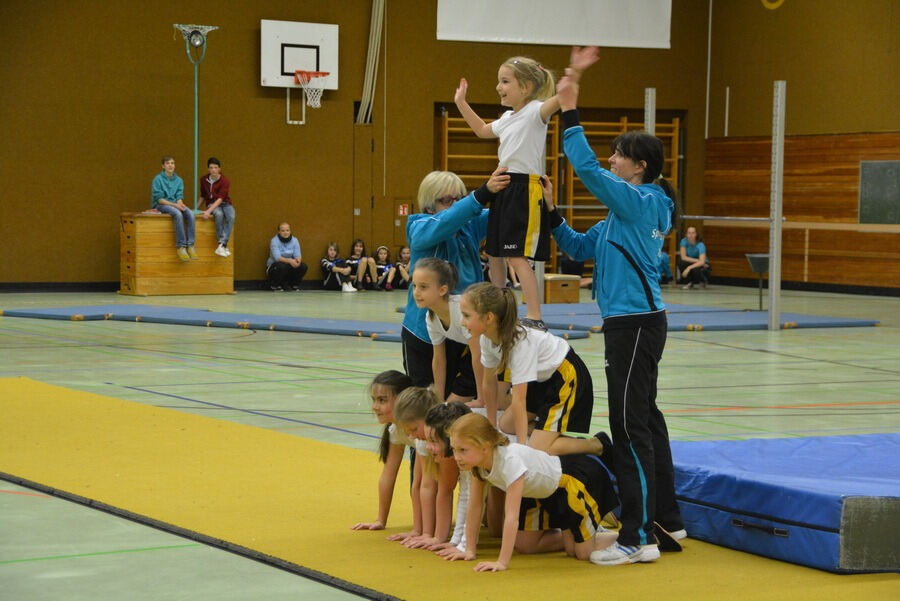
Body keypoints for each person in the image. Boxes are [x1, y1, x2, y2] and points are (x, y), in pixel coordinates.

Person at [545, 46, 685, 566]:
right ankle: (665, 517)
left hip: (637, 325)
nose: (611, 159)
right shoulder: (622, 218)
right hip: (631, 324)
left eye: (619, 155)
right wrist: (553, 215)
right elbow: (582, 248)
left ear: (640, 166)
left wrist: (570, 108)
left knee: (628, 428)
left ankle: (638, 536)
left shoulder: (642, 200)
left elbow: (585, 165)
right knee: (642, 417)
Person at [454, 56, 561, 328]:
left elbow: (558, 100)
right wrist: (461, 103)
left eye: (504, 81)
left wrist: (573, 78)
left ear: (525, 87)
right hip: (501, 184)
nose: (498, 87)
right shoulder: (507, 117)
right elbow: (480, 130)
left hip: (524, 188)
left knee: (516, 255)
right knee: (494, 252)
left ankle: (535, 315)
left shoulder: (536, 112)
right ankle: (500, 307)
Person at [444, 413, 619, 572]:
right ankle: (581, 532)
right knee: (556, 548)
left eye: (462, 450)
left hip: (572, 482)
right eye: (454, 449)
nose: (456, 457)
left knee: (582, 553)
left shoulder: (510, 462)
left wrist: (502, 562)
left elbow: (511, 517)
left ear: (485, 447)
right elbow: (474, 507)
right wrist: (469, 550)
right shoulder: (478, 467)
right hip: (546, 493)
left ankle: (621, 538)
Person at [460, 282, 609, 459]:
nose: (462, 322)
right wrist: (492, 429)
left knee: (538, 449)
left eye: (466, 316)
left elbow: (519, 400)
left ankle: (596, 444)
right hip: (541, 380)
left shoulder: (520, 344)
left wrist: (522, 448)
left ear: (489, 318)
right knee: (506, 426)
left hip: (565, 377)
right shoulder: (486, 339)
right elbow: (488, 384)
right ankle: (547, 432)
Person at [401, 168, 508, 389]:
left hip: (464, 330)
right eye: (448, 200)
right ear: (430, 206)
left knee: (460, 400)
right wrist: (481, 194)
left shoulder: (469, 225)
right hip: (423, 333)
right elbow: (447, 221)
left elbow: (502, 214)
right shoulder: (419, 227)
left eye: (460, 198)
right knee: (426, 401)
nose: (457, 204)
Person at [351, 371, 422, 534]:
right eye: (374, 400)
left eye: (382, 400)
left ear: (403, 399)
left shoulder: (421, 434)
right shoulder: (396, 430)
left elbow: (422, 484)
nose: (375, 407)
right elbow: (388, 475)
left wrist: (420, 531)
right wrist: (381, 520)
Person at [393, 387, 458, 550]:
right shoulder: (423, 440)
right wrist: (421, 531)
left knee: (494, 527)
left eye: (414, 429)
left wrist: (439, 537)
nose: (411, 436)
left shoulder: (446, 438)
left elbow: (446, 490)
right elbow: (422, 485)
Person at [412, 257, 482, 406]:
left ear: (442, 290)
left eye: (423, 287)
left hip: (503, 354)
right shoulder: (431, 318)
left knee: (502, 407)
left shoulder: (460, 310)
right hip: (486, 358)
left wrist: (481, 399)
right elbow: (439, 360)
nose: (416, 293)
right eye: (414, 286)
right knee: (446, 408)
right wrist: (439, 398)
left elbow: (478, 356)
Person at [151, 156, 196, 261]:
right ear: (163, 166)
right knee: (178, 213)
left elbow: (179, 197)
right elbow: (159, 199)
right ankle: (181, 246)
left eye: (172, 163)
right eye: (168, 163)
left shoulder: (179, 180)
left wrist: (180, 204)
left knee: (190, 213)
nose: (170, 165)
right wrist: (175, 206)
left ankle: (190, 245)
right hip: (162, 204)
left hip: (175, 204)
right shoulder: (158, 179)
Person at [198, 157, 235, 257]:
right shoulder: (203, 180)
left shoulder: (225, 181)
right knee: (219, 214)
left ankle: (222, 244)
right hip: (211, 203)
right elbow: (203, 195)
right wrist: (196, 208)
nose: (213, 170)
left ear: (219, 169)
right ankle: (221, 245)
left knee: (231, 216)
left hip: (224, 202)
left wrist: (208, 211)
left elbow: (220, 199)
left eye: (215, 167)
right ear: (208, 169)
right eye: (211, 167)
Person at [265, 222, 308, 291]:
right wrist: (290, 261)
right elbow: (278, 258)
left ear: (290, 231)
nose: (285, 232)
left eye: (287, 230)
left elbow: (298, 255)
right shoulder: (274, 241)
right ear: (279, 232)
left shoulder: (295, 240)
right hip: (274, 267)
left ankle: (293, 285)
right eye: (283, 231)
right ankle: (274, 285)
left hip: (288, 266)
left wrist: (298, 262)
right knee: (282, 266)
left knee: (303, 266)